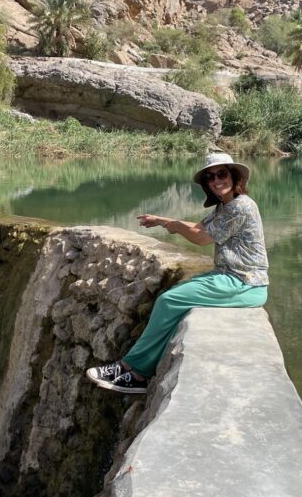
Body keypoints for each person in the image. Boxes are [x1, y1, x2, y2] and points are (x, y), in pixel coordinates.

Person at [85, 152, 269, 394]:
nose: (216, 180)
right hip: (231, 278)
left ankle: (134, 371)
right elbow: (198, 226)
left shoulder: (241, 206)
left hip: (245, 284)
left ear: (234, 176)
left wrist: (176, 227)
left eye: (222, 174)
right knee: (175, 295)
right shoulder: (224, 207)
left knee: (168, 300)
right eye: (210, 177)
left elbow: (201, 238)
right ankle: (137, 367)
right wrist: (162, 221)